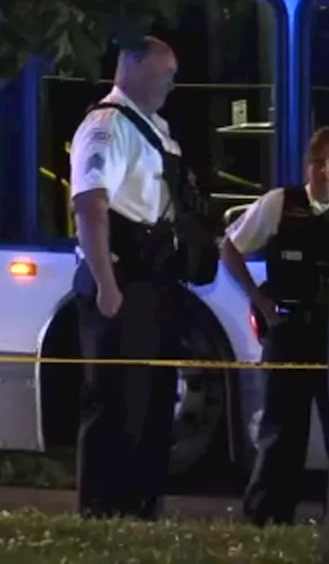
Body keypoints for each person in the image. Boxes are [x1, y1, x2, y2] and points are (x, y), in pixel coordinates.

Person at [68, 36, 209, 521]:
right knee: (115, 405)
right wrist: (107, 285)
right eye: (165, 72)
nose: (172, 83)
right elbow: (90, 205)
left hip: (154, 284)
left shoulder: (154, 129)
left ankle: (142, 513)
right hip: (123, 283)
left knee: (151, 404)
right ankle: (104, 514)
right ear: (133, 69)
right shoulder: (108, 126)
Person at [220, 126, 329, 527]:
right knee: (279, 434)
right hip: (289, 335)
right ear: (305, 166)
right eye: (318, 162)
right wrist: (259, 301)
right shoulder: (280, 204)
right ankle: (267, 519)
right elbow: (229, 247)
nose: (325, 171)